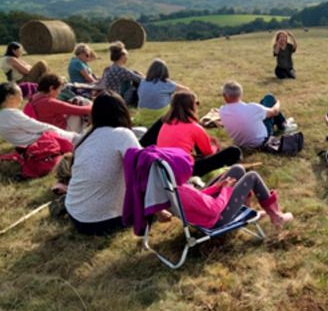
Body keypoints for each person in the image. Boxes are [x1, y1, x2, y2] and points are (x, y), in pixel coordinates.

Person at [64, 92, 141, 235]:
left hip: (74, 212)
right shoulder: (123, 135)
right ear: (122, 111)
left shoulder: (87, 135)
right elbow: (143, 169)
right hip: (101, 221)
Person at [174, 164, 293, 228]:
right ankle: (277, 217)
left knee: (237, 169)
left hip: (203, 212)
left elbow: (199, 196)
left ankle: (248, 212)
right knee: (252, 176)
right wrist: (226, 189)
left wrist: (217, 187)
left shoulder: (176, 187)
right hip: (216, 219)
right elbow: (214, 210)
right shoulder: (184, 192)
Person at [157, 90, 241, 177]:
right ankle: (233, 172)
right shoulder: (194, 127)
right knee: (234, 151)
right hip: (184, 171)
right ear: (191, 106)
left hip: (163, 168)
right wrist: (214, 146)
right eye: (196, 103)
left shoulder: (166, 124)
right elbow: (208, 152)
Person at [219, 81, 294, 149]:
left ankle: (282, 123)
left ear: (224, 96)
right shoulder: (252, 108)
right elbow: (274, 112)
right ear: (240, 94)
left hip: (241, 143)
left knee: (263, 104)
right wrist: (278, 102)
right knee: (269, 98)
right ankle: (283, 125)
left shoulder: (222, 111)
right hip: (262, 141)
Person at [0, 82, 76, 148]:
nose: (22, 98)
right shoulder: (11, 113)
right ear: (10, 97)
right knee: (76, 138)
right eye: (20, 94)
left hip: (26, 145)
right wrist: (70, 135)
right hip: (38, 143)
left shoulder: (3, 114)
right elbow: (40, 127)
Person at [135, 59, 189, 127]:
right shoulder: (166, 84)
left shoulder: (143, 82)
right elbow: (186, 90)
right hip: (159, 114)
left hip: (143, 111)